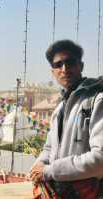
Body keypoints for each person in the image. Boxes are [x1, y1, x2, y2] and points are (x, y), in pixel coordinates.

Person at [30, 39, 103, 198]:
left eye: (70, 62)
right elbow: (49, 149)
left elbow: (100, 160)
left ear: (81, 66)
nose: (64, 69)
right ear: (53, 72)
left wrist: (49, 171)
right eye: (58, 64)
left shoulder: (96, 100)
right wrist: (39, 165)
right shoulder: (59, 109)